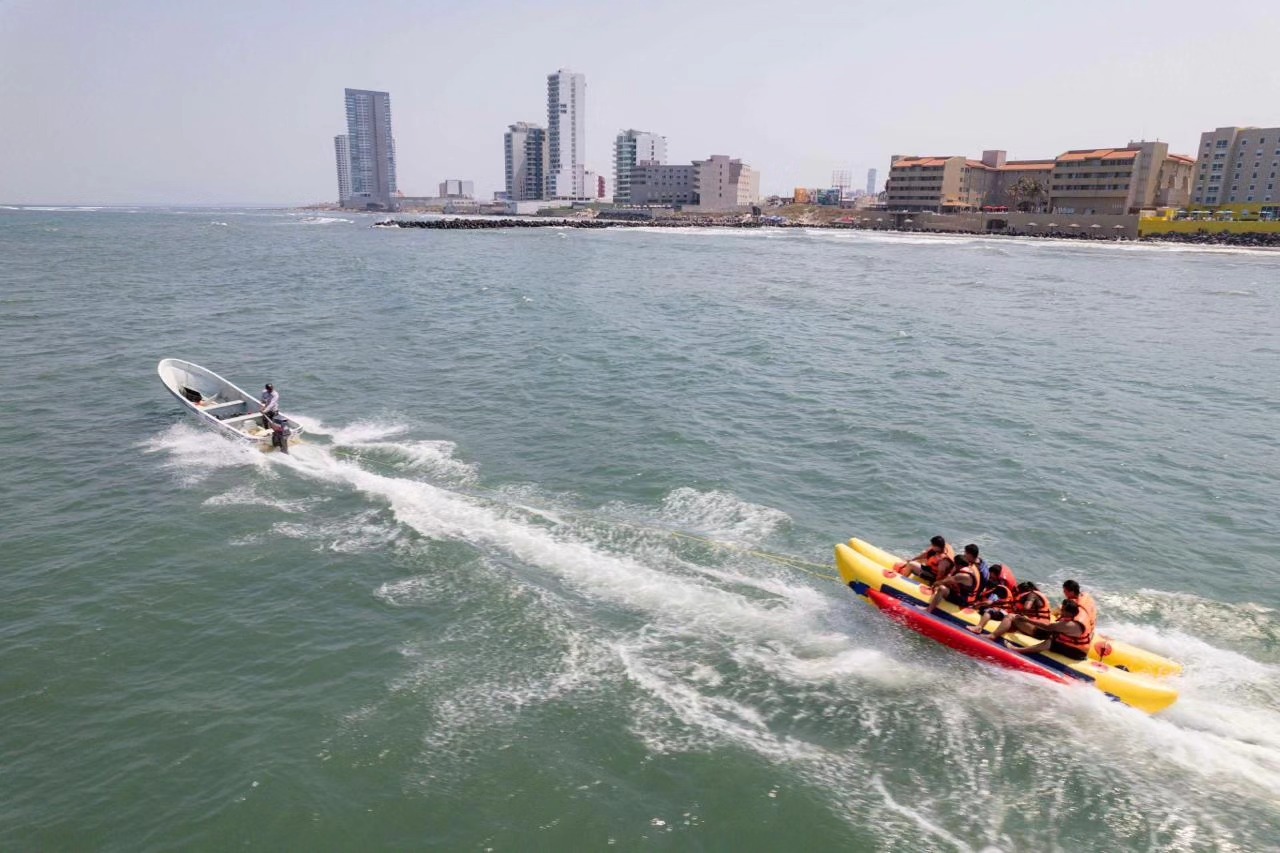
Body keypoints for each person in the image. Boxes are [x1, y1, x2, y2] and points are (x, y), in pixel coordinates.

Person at [1007, 599, 1095, 661]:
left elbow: (1048, 627)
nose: (1061, 611)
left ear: (1069, 612)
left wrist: (1027, 620)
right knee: (1050, 634)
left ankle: (1018, 650)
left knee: (1050, 642)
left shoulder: (1071, 625)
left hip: (1077, 653)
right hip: (1076, 643)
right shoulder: (1078, 614)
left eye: (1063, 610)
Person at [986, 582, 1055, 641]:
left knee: (1010, 616)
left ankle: (993, 636)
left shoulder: (1032, 594)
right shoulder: (1039, 596)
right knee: (1017, 618)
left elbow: (1026, 607)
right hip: (1043, 631)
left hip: (1037, 630)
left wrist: (1018, 610)